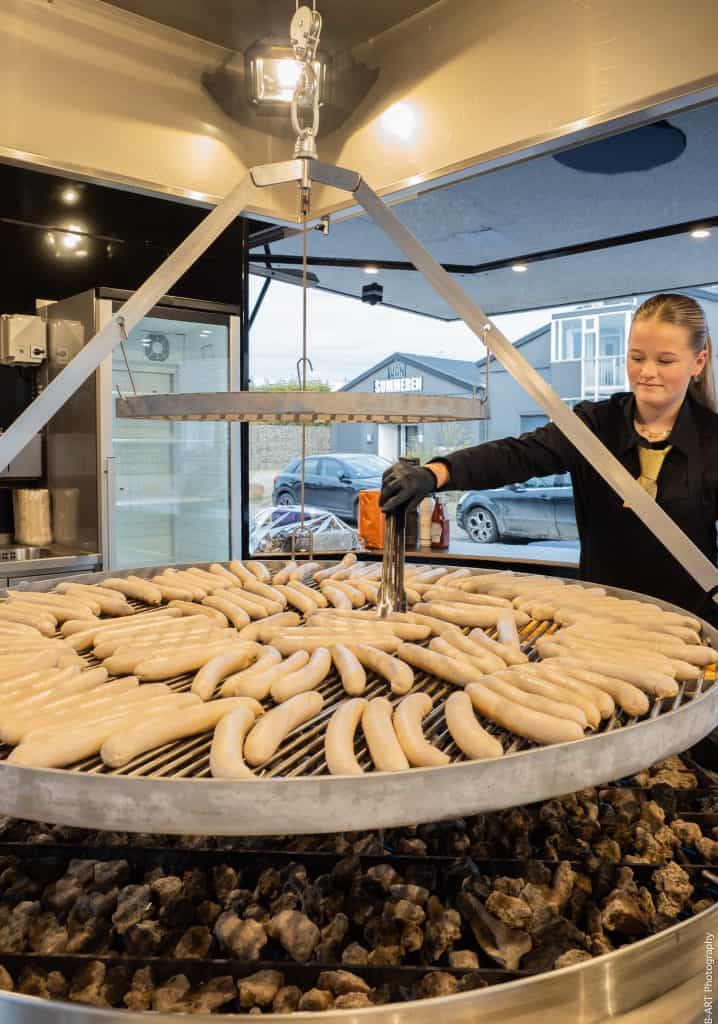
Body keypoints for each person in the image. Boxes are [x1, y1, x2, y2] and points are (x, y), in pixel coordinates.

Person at [380, 293, 718, 619]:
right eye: (637, 357)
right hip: (599, 619)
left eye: (665, 360)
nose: (647, 372)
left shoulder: (713, 439)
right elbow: (519, 454)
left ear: (698, 362)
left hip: (692, 625)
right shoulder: (596, 423)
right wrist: (436, 473)